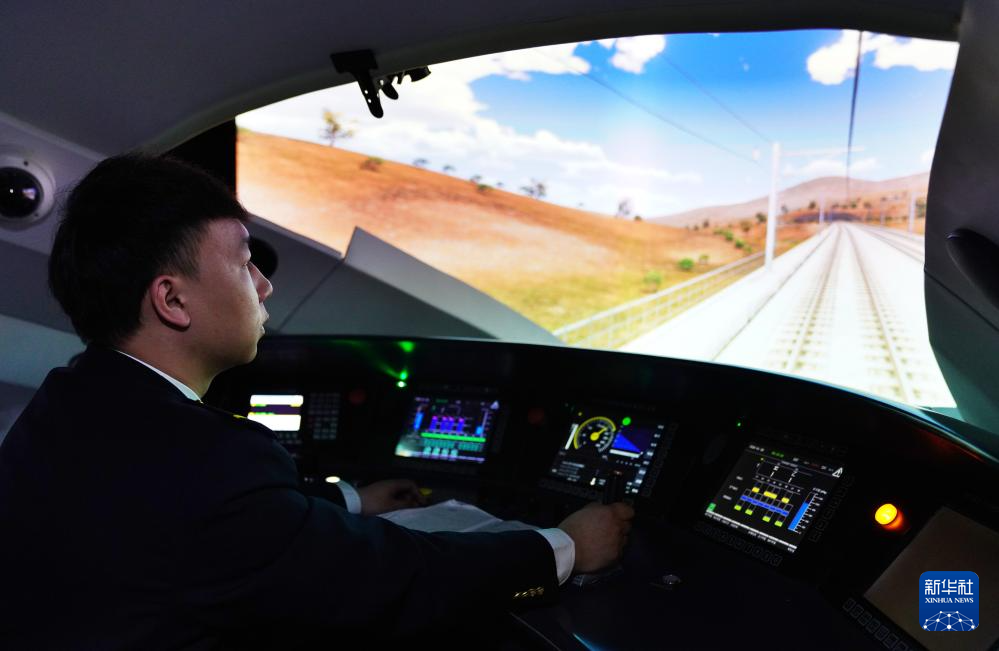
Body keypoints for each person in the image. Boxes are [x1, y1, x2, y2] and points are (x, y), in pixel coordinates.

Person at [0, 153, 633, 649]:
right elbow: (385, 580)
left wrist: (353, 498)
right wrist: (564, 547)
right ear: (172, 299)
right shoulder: (204, 459)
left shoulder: (66, 404)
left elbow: (214, 523)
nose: (264, 285)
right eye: (245, 264)